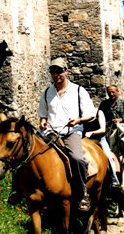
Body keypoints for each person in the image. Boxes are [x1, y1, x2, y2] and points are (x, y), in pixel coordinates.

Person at [38, 57, 96, 211]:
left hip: (71, 132)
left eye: (59, 71)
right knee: (27, 150)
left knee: (76, 158)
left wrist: (78, 120)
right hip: (51, 131)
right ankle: (19, 190)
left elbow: (91, 113)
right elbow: (43, 114)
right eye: (53, 72)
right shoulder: (46, 93)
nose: (56, 75)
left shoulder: (78, 90)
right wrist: (43, 121)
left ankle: (83, 193)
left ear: (66, 71)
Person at [98, 85, 124, 176]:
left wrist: (122, 120)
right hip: (110, 129)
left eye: (113, 92)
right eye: (109, 92)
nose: (111, 94)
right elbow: (100, 116)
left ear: (118, 92)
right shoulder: (104, 104)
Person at [84, 110, 121, 188]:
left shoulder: (99, 112)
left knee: (108, 157)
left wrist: (91, 133)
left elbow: (102, 129)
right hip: (86, 139)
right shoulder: (80, 113)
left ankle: (114, 179)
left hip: (100, 138)